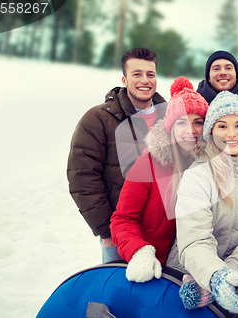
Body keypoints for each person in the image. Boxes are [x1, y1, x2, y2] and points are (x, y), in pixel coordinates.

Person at [173, 91, 238, 314]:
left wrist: (231, 274)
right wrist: (216, 277)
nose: (231, 133)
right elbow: (194, 240)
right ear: (211, 133)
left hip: (229, 281)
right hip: (187, 280)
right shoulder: (198, 176)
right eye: (222, 126)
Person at [67, 48, 167, 263]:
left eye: (150, 74)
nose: (145, 80)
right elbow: (82, 177)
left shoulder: (169, 117)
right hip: (120, 234)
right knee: (120, 291)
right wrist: (106, 231)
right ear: (124, 78)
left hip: (165, 233)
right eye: (137, 74)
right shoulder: (98, 119)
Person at [109, 77, 209, 282]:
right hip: (151, 267)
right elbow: (123, 219)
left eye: (197, 122)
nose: (190, 130)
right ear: (170, 127)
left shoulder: (210, 168)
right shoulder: (148, 164)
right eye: (182, 122)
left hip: (192, 270)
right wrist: (140, 252)